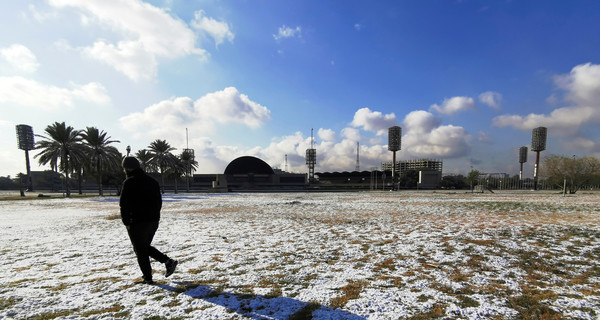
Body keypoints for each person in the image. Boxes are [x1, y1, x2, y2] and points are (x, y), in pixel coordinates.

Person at [120, 156, 177, 284]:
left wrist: (127, 222)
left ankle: (149, 277)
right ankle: (167, 262)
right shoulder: (152, 181)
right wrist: (155, 216)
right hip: (152, 221)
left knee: (140, 250)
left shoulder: (129, 182)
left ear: (127, 168)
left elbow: (124, 205)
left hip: (137, 222)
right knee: (143, 248)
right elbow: (159, 202)